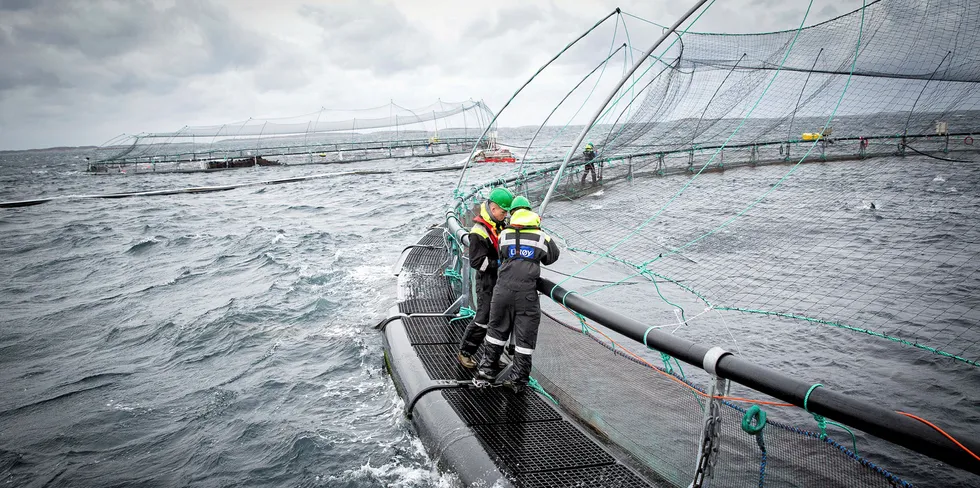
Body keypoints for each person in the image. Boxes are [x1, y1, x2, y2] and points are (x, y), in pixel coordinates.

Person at [476, 208, 560, 393]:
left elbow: (502, 256)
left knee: (496, 331)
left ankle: (486, 371)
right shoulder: (541, 237)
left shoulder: (504, 235)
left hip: (502, 291)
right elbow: (552, 257)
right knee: (524, 338)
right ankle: (518, 381)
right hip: (526, 295)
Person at [457, 187, 514, 368]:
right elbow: (477, 262)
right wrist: (500, 264)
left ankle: (493, 358)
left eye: (507, 212)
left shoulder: (501, 225)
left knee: (498, 321)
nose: (505, 215)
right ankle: (465, 353)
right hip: (487, 283)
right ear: (493, 207)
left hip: (501, 282)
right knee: (483, 319)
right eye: (503, 211)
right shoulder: (478, 231)